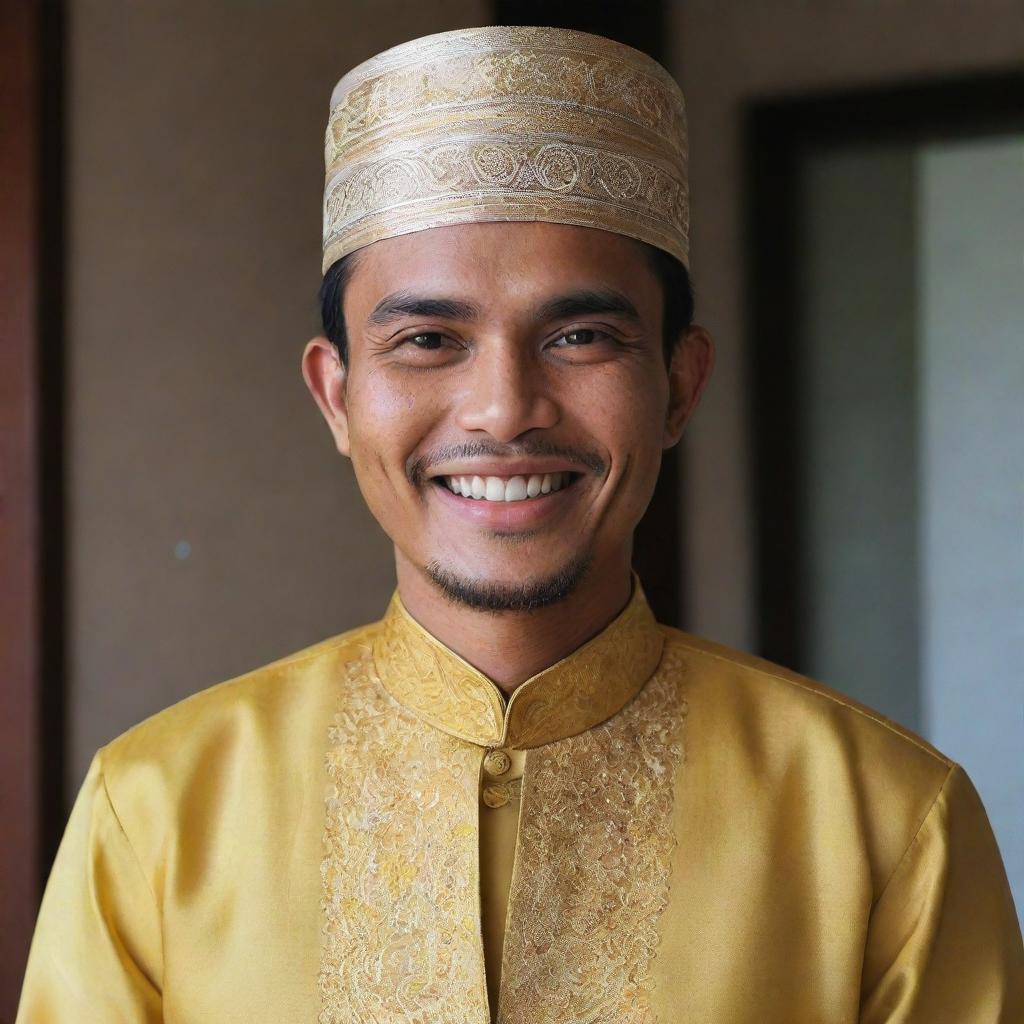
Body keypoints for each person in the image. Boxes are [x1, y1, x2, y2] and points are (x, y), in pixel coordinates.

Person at [16, 25, 1023, 1024]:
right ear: (336, 395)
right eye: (426, 340)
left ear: (679, 385)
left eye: (580, 335)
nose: (503, 408)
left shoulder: (888, 821)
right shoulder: (156, 811)